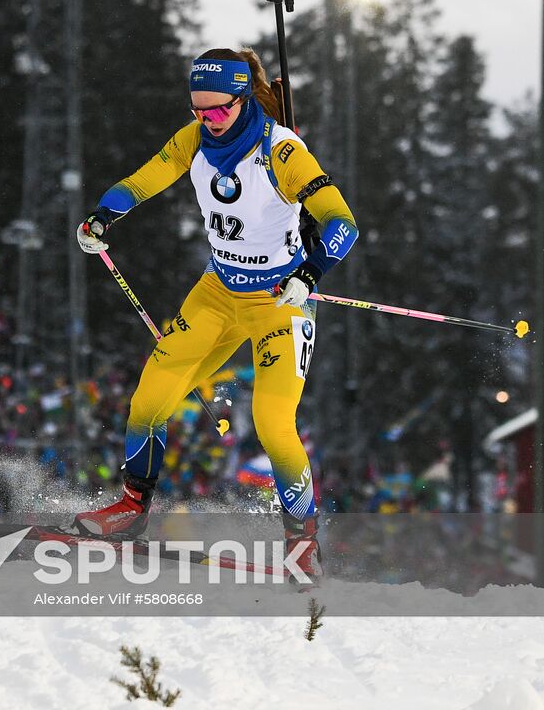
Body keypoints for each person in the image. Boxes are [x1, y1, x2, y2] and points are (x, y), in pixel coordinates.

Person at [74, 48, 358, 579]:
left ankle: (303, 541)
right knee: (149, 399)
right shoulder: (193, 141)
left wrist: (310, 274)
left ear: (243, 98)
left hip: (280, 303)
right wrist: (101, 217)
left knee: (274, 426)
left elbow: (343, 223)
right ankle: (132, 510)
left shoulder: (282, 151)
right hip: (217, 293)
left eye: (218, 111)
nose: (207, 122)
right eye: (197, 111)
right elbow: (140, 183)